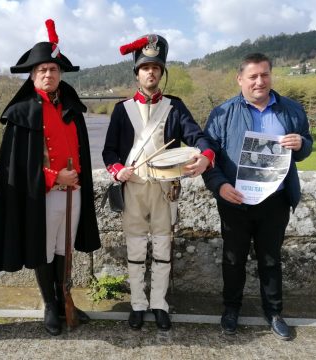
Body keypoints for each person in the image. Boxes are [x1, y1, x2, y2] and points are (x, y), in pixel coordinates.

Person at [0, 19, 101, 336]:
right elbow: (14, 166)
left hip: (73, 192)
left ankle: (66, 299)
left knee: (65, 249)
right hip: (44, 193)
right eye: (41, 71)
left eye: (52, 69)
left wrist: (74, 177)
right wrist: (53, 176)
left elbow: (81, 151)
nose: (48, 75)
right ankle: (50, 304)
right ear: (33, 75)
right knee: (45, 248)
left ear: (60, 73)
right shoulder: (22, 112)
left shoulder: (72, 106)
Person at [102, 34, 215, 331]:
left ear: (161, 73)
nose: (151, 72)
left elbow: (198, 137)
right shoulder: (121, 109)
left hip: (165, 189)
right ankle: (138, 304)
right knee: (136, 250)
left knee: (164, 250)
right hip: (134, 188)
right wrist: (117, 170)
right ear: (137, 72)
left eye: (156, 67)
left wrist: (205, 155)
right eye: (145, 67)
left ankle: (159, 304)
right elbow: (109, 152)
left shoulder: (175, 107)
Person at [202, 53, 313, 340]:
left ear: (270, 76)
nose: (259, 81)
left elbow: (305, 145)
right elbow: (207, 155)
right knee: (232, 258)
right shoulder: (222, 114)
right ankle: (231, 310)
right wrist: (219, 186)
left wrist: (301, 143)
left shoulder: (291, 110)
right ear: (240, 79)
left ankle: (274, 312)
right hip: (234, 198)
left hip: (275, 200)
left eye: (264, 75)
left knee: (271, 259)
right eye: (252, 76)